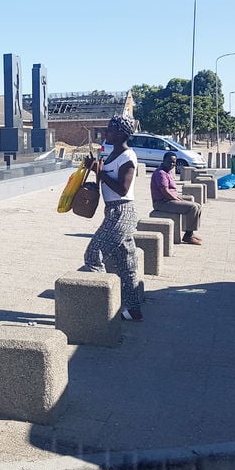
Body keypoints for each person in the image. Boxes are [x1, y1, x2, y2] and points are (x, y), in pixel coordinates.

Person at [79, 114, 142, 321]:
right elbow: (105, 181)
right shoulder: (112, 154)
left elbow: (123, 189)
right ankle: (134, 310)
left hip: (122, 211)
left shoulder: (127, 157)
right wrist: (93, 168)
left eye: (111, 130)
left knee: (93, 255)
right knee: (126, 263)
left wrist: (101, 172)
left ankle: (103, 305)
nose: (107, 133)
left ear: (122, 133)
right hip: (112, 210)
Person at [151, 152, 203, 245]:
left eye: (174, 162)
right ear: (164, 161)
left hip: (169, 199)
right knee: (193, 208)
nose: (172, 164)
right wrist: (176, 199)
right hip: (162, 202)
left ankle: (190, 231)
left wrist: (178, 197)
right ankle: (188, 236)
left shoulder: (168, 172)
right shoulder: (161, 173)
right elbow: (165, 191)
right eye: (170, 162)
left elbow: (172, 190)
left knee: (198, 206)